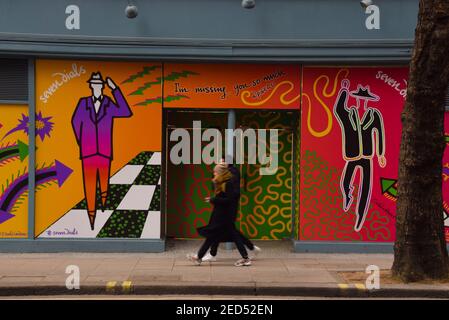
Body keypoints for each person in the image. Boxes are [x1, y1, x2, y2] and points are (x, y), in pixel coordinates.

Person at [71, 72, 132, 230]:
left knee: (104, 183)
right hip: (88, 151)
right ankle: (91, 217)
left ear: (103, 86)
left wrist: (115, 89)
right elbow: (75, 122)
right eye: (94, 84)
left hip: (104, 151)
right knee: (90, 185)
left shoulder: (108, 103)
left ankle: (104, 206)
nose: (97, 86)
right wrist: (83, 141)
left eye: (100, 84)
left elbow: (126, 111)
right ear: (91, 85)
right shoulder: (83, 102)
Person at [333, 79, 386, 232]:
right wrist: (344, 91)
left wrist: (380, 153)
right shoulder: (349, 115)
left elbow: (379, 134)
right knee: (345, 182)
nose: (363, 102)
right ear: (356, 99)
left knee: (365, 188)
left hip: (367, 157)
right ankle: (347, 194)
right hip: (352, 156)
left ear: (369, 101)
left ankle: (360, 216)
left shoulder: (373, 115)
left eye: (366, 100)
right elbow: (338, 109)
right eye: (360, 99)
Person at [187, 162, 252, 267]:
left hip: (224, 216)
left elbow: (229, 200)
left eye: (215, 172)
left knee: (213, 236)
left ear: (221, 173)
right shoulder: (222, 182)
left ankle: (199, 257)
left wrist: (214, 199)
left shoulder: (228, 184)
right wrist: (214, 199)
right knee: (223, 236)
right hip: (223, 215)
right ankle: (199, 257)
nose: (214, 174)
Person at [202, 160, 261, 262]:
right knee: (228, 232)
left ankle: (211, 254)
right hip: (225, 209)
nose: (220, 162)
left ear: (227, 162)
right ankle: (250, 249)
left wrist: (215, 199)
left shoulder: (230, 175)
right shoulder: (226, 174)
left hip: (227, 210)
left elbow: (231, 196)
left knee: (224, 231)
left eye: (222, 161)